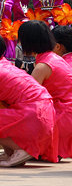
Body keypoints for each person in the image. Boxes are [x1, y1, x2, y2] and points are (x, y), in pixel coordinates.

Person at [0, 29, 56, 167]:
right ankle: (12, 150)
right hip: (44, 114)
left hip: (34, 115)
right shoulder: (2, 63)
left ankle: (20, 147)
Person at [18, 20, 72, 159]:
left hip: (62, 117)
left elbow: (27, 99)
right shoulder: (54, 58)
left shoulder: (43, 65)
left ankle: (19, 150)